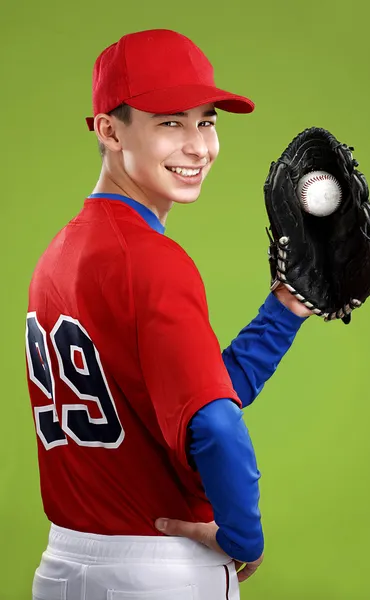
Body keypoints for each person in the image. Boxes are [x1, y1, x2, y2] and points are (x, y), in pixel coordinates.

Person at [26, 29, 312, 600]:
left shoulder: (58, 255)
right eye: (169, 122)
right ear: (109, 129)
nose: (198, 145)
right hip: (155, 569)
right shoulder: (152, 258)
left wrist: (282, 313)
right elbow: (212, 423)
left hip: (64, 564)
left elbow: (188, 399)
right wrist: (244, 537)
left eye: (206, 121)